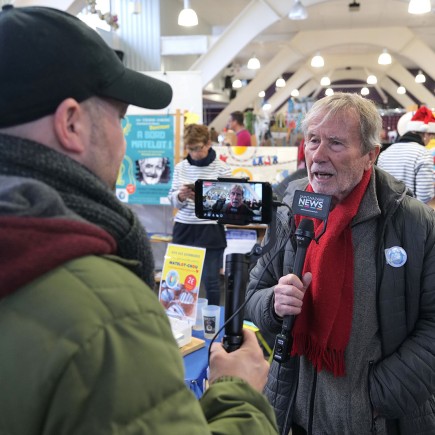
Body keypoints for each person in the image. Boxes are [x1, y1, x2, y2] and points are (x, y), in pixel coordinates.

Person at [0, 6, 278, 434]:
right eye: (120, 118)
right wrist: (238, 392)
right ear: (71, 123)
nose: (123, 137)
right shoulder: (106, 312)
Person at [245, 92, 435, 434]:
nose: (317, 154)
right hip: (295, 415)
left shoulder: (412, 222)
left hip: (379, 420)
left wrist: (379, 395)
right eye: (313, 140)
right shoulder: (292, 208)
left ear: (370, 156)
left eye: (335, 143)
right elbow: (254, 291)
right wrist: (274, 305)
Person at [169, 123, 232, 306]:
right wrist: (180, 196)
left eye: (197, 148)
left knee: (211, 281)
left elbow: (226, 205)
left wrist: (202, 199)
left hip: (211, 229)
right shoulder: (181, 167)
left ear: (208, 143)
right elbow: (172, 199)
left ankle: (210, 323)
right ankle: (180, 320)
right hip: (184, 227)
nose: (194, 153)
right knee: (180, 281)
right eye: (190, 148)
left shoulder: (222, 168)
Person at [377, 106, 434, 204]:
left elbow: (379, 185)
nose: (430, 140)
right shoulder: (423, 154)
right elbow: (425, 195)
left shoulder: (385, 153)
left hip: (386, 211)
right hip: (412, 215)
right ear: (425, 135)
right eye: (431, 136)